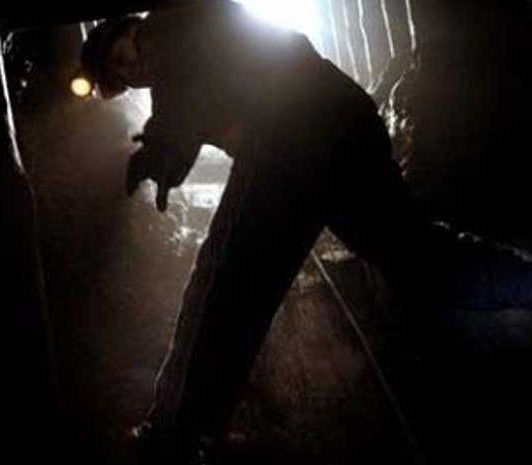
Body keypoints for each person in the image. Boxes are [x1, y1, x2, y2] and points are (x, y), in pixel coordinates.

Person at [79, 0, 453, 461]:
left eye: (121, 57)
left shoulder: (166, 29)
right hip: (345, 121)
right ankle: (514, 288)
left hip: (288, 132)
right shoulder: (187, 46)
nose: (132, 70)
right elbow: (190, 92)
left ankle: (173, 435)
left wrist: (162, 152)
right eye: (123, 76)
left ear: (129, 27)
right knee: (407, 248)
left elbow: (181, 90)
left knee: (226, 280)